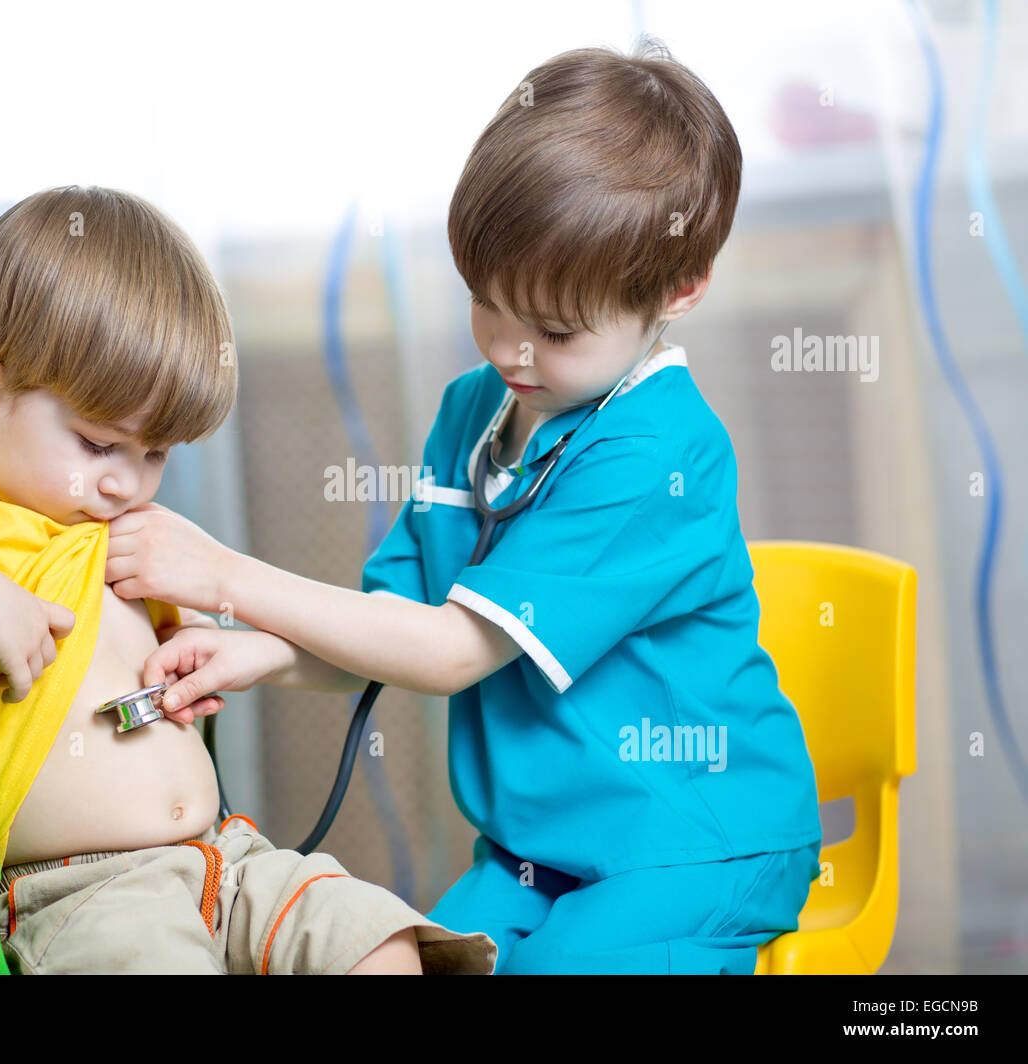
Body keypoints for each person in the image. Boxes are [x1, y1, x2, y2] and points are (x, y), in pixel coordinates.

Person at [107, 40, 824, 975]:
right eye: (489, 305)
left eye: (556, 331)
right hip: (537, 857)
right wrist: (256, 653)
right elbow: (393, 624)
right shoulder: (474, 411)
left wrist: (225, 575)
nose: (512, 354)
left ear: (679, 292)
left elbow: (451, 652)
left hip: (688, 843)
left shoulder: (658, 454)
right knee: (408, 956)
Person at [0, 185, 495, 976]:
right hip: (80, 897)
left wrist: (211, 654)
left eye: (156, 454)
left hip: (230, 861)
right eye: (99, 445)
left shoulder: (131, 538)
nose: (127, 484)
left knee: (377, 942)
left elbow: (328, 662)